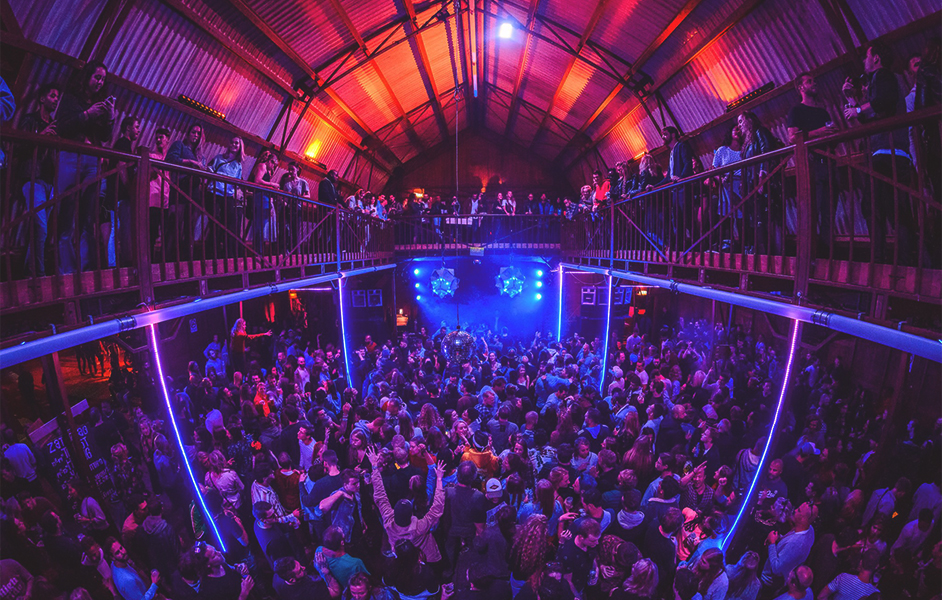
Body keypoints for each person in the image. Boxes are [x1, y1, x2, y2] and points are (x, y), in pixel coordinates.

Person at [842, 42, 918, 265]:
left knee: (879, 208)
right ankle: (898, 260)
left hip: (889, 151)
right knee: (888, 207)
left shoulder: (884, 75)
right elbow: (870, 117)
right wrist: (852, 100)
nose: (865, 61)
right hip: (888, 151)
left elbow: (882, 102)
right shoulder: (881, 81)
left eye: (867, 57)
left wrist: (857, 108)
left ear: (876, 58)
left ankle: (887, 262)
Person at [55, 60, 115, 272]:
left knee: (87, 217)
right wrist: (87, 115)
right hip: (71, 158)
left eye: (103, 79)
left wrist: (110, 118)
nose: (99, 82)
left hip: (91, 160)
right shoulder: (71, 99)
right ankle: (66, 272)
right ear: (87, 77)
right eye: (97, 77)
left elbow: (105, 137)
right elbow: (62, 126)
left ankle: (85, 271)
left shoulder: (100, 103)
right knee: (66, 212)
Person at [787, 72, 838, 253]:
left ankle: (828, 254)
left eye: (814, 81)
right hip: (812, 164)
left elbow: (831, 133)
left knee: (829, 213)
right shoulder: (796, 111)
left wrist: (832, 134)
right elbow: (793, 137)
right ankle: (810, 255)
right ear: (801, 88)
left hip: (830, 163)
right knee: (812, 211)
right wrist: (819, 132)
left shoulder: (823, 111)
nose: (813, 83)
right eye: (809, 82)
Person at [17, 82, 60, 276]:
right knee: (41, 227)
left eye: (57, 96)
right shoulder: (30, 121)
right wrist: (41, 137)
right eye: (52, 95)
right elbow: (20, 148)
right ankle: (40, 275)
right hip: (32, 178)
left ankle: (27, 272)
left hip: (48, 181)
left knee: (38, 229)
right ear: (42, 99)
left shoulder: (55, 125)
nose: (55, 99)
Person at [166, 123, 206, 261]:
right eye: (194, 132)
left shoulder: (201, 156)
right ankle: (169, 260)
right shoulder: (179, 145)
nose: (196, 135)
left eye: (198, 134)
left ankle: (187, 261)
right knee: (174, 226)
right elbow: (170, 159)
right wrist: (190, 162)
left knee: (190, 228)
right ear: (188, 133)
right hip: (180, 188)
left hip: (194, 192)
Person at [207, 136, 246, 256]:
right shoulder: (219, 158)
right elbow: (209, 169)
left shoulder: (238, 165)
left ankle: (224, 253)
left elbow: (237, 181)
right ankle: (211, 252)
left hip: (227, 196)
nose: (234, 145)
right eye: (232, 142)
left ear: (240, 147)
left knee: (226, 224)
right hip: (214, 193)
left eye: (237, 143)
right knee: (214, 223)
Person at [557, 517, 601, 600]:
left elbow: (593, 556)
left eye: (597, 540)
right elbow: (568, 581)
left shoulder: (592, 544)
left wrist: (596, 570)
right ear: (581, 537)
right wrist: (578, 596)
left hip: (584, 581)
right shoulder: (568, 554)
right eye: (593, 540)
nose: (597, 543)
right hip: (576, 587)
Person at [247, 150, 281, 254]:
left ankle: (259, 250)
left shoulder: (267, 170)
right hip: (260, 197)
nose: (273, 167)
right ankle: (258, 251)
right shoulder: (262, 166)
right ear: (271, 161)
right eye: (274, 164)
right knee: (259, 225)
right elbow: (257, 180)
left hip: (264, 198)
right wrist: (272, 184)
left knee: (262, 225)